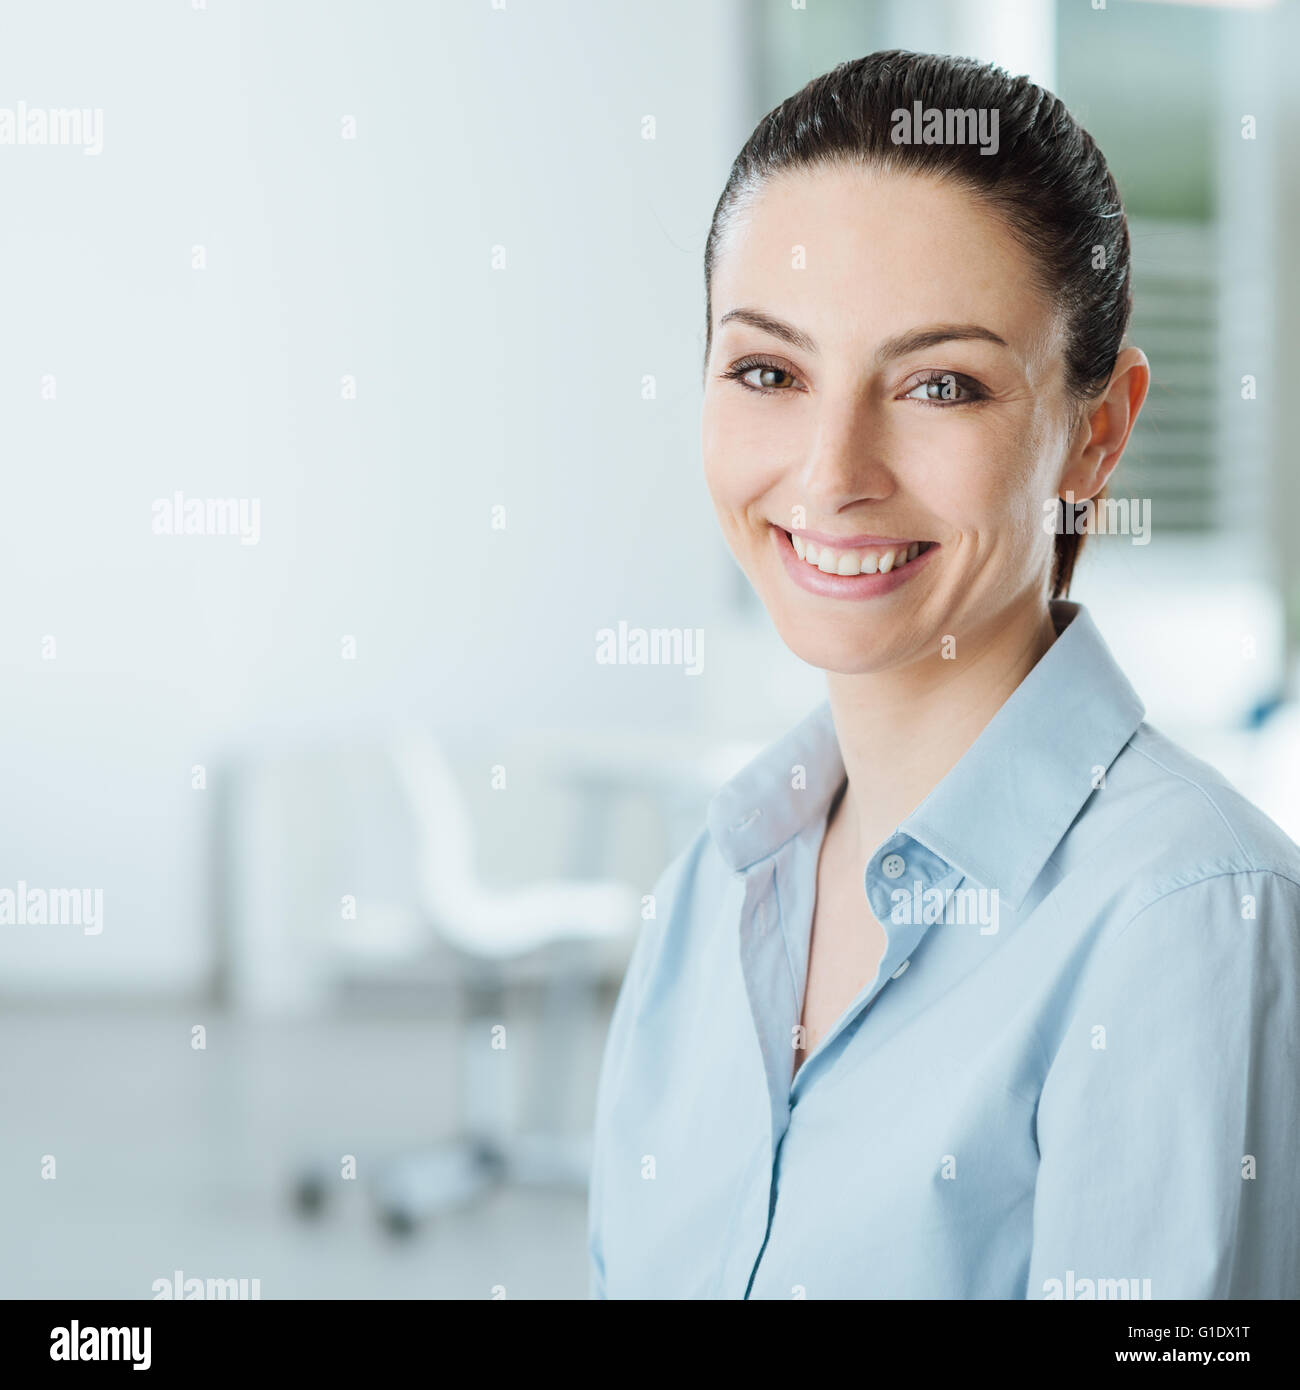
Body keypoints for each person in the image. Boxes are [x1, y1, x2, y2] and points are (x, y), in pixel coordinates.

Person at [587, 50, 1300, 1300]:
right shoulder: (720, 883)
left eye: (938, 385)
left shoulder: (1188, 919)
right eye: (769, 371)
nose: (830, 473)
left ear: (1098, 434)